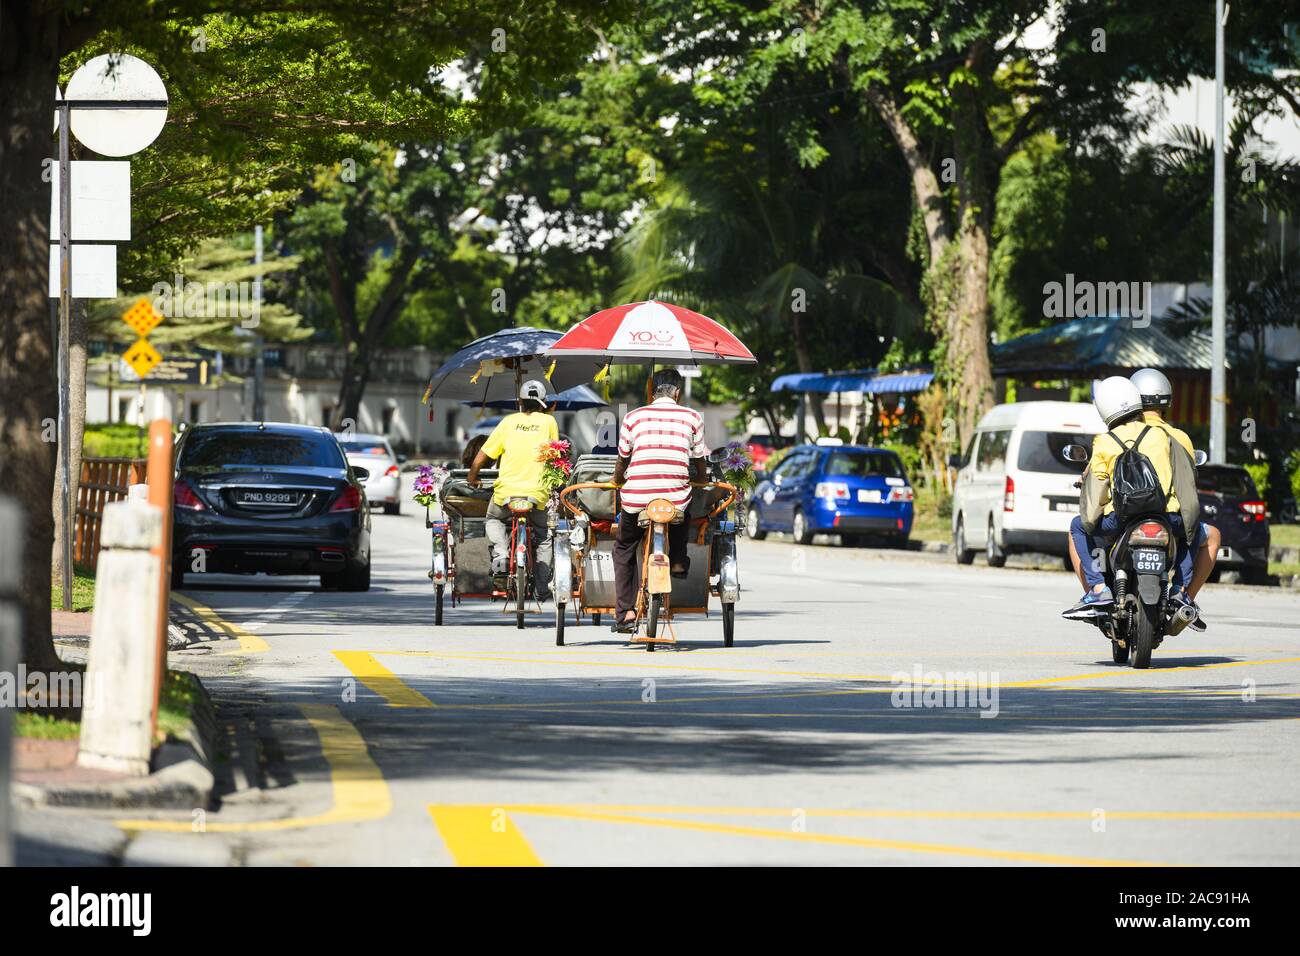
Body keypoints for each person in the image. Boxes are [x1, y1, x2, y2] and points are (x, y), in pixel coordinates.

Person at [1062, 375, 1201, 621]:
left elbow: (1095, 498)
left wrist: (1090, 520)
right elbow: (1184, 481)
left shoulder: (1104, 442)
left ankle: (1097, 589)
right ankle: (1180, 591)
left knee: (1077, 527)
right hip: (1165, 517)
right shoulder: (1162, 436)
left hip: (1122, 519)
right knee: (1196, 531)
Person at [609, 368, 708, 634]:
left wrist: (617, 480)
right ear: (677, 392)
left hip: (636, 498)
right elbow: (698, 458)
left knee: (624, 549)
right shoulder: (692, 417)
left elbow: (622, 459)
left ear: (652, 392)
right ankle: (676, 561)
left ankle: (626, 613)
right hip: (674, 498)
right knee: (682, 513)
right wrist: (702, 477)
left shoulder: (633, 417)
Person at [467, 380, 557, 597]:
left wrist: (472, 476)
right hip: (537, 494)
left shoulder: (507, 422)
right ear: (543, 402)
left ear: (519, 402)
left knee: (493, 519)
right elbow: (555, 456)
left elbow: (483, 455)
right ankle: (543, 585)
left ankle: (500, 552)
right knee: (543, 534)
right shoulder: (549, 422)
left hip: (506, 493)